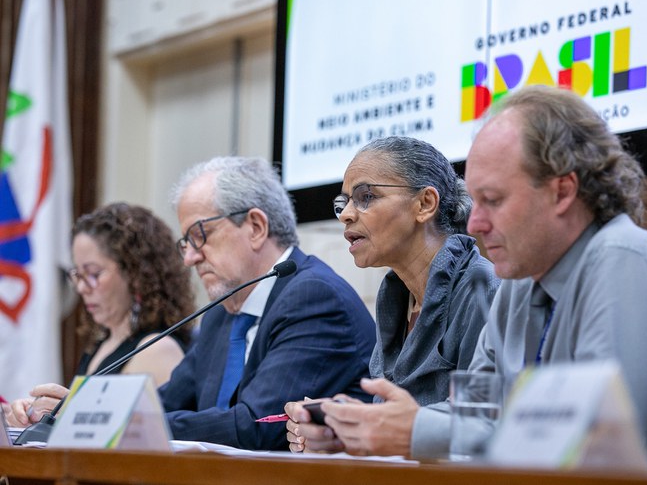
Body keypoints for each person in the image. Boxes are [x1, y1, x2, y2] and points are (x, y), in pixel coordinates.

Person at [289, 85, 647, 466]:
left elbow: (595, 445)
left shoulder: (623, 258)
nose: (474, 223)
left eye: (493, 200)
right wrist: (359, 428)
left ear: (562, 190)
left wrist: (416, 433)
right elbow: (476, 415)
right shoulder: (521, 285)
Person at [285, 137, 499, 453]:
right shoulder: (395, 297)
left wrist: (365, 425)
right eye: (343, 203)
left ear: (425, 203)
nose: (345, 215)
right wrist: (340, 426)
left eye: (366, 197)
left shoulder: (484, 288)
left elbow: (481, 426)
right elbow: (394, 424)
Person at [157, 156, 375, 450]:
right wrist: (88, 409)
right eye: (186, 243)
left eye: (199, 236)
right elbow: (164, 401)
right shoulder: (220, 316)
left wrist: (134, 423)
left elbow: (258, 426)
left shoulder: (314, 298)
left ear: (256, 227)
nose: (189, 258)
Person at [4, 202, 195, 426]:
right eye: (77, 274)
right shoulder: (101, 345)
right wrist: (33, 416)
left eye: (93, 274)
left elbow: (141, 442)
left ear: (136, 273)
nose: (82, 288)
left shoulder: (158, 349)